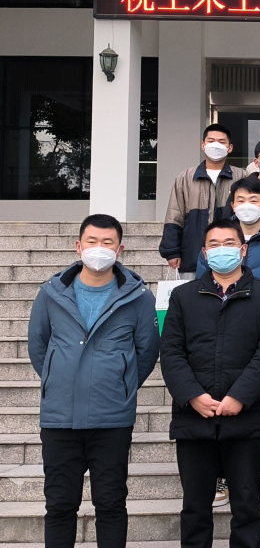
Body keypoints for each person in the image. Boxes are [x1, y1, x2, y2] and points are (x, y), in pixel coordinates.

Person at [28, 214, 160, 548]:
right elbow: (38, 347)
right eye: (92, 241)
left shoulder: (139, 297)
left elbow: (146, 353)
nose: (99, 248)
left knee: (111, 504)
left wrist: (120, 384)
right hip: (60, 418)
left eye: (107, 242)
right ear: (78, 245)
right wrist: (60, 378)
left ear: (120, 249)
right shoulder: (51, 293)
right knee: (59, 505)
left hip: (111, 418)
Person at [160, 219, 260, 548]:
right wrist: (193, 395)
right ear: (204, 253)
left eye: (229, 243)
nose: (221, 250)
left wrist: (240, 396)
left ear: (243, 250)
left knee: (247, 508)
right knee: (195, 508)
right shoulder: (183, 296)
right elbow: (171, 352)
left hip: (248, 419)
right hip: (194, 419)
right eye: (213, 244)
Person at [195, 177, 260, 504]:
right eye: (240, 199)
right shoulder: (216, 241)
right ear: (232, 204)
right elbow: (200, 290)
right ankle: (220, 477)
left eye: (254, 199)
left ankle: (258, 473)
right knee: (218, 402)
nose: (247, 205)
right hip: (218, 338)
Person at [160, 124, 246, 277]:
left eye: (221, 142)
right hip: (192, 255)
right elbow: (174, 216)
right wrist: (172, 251)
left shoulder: (241, 176)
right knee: (194, 291)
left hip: (231, 256)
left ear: (230, 148)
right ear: (203, 145)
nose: (216, 145)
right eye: (211, 141)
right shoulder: (185, 177)